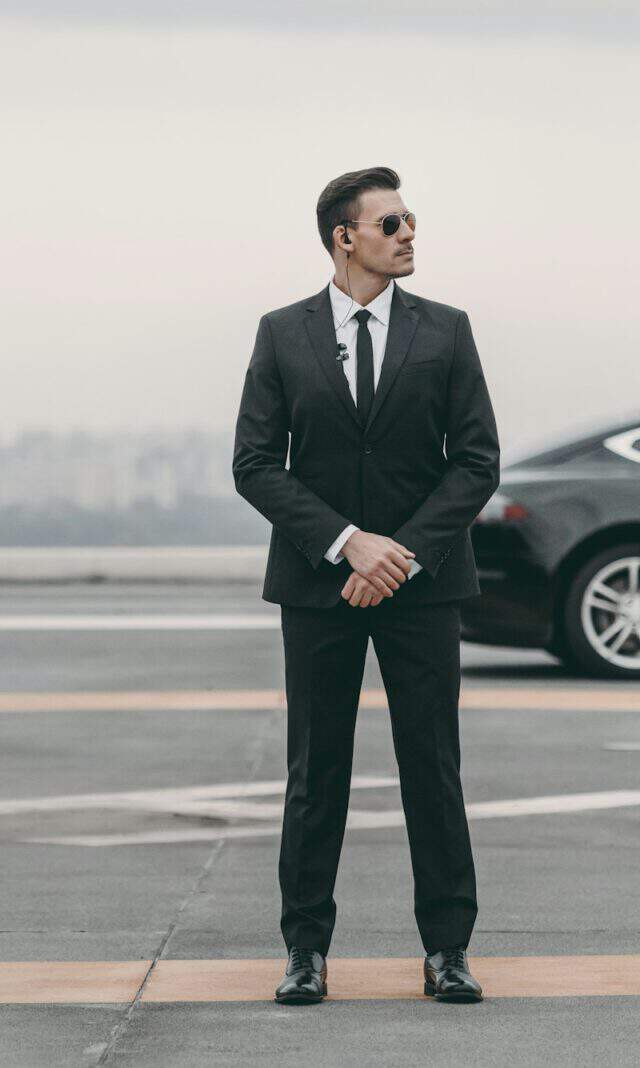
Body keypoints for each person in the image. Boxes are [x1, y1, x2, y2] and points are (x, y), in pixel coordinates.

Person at [231, 165, 501, 1006]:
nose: (408, 233)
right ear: (344, 238)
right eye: (391, 223)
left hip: (424, 587)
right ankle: (305, 951)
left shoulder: (446, 330)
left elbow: (477, 462)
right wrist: (349, 545)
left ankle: (448, 951)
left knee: (433, 767)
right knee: (316, 773)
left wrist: (401, 555)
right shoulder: (283, 333)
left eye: (410, 220)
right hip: (319, 586)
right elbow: (253, 464)